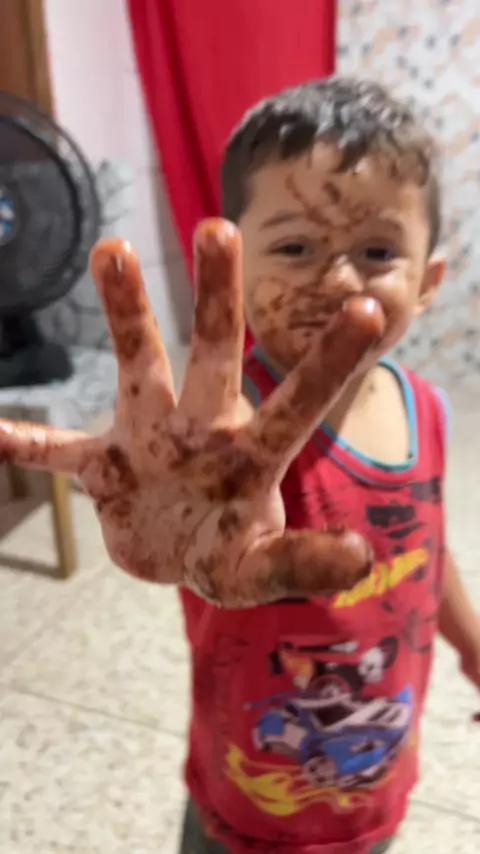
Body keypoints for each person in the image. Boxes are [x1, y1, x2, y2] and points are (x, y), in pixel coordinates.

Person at [0, 77, 479, 854]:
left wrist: (472, 643)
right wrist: (164, 527)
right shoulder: (216, 448)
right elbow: (185, 521)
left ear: (427, 283)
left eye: (377, 252)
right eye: (295, 248)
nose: (339, 280)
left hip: (375, 786)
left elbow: (426, 554)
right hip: (247, 800)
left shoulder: (429, 411)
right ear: (234, 268)